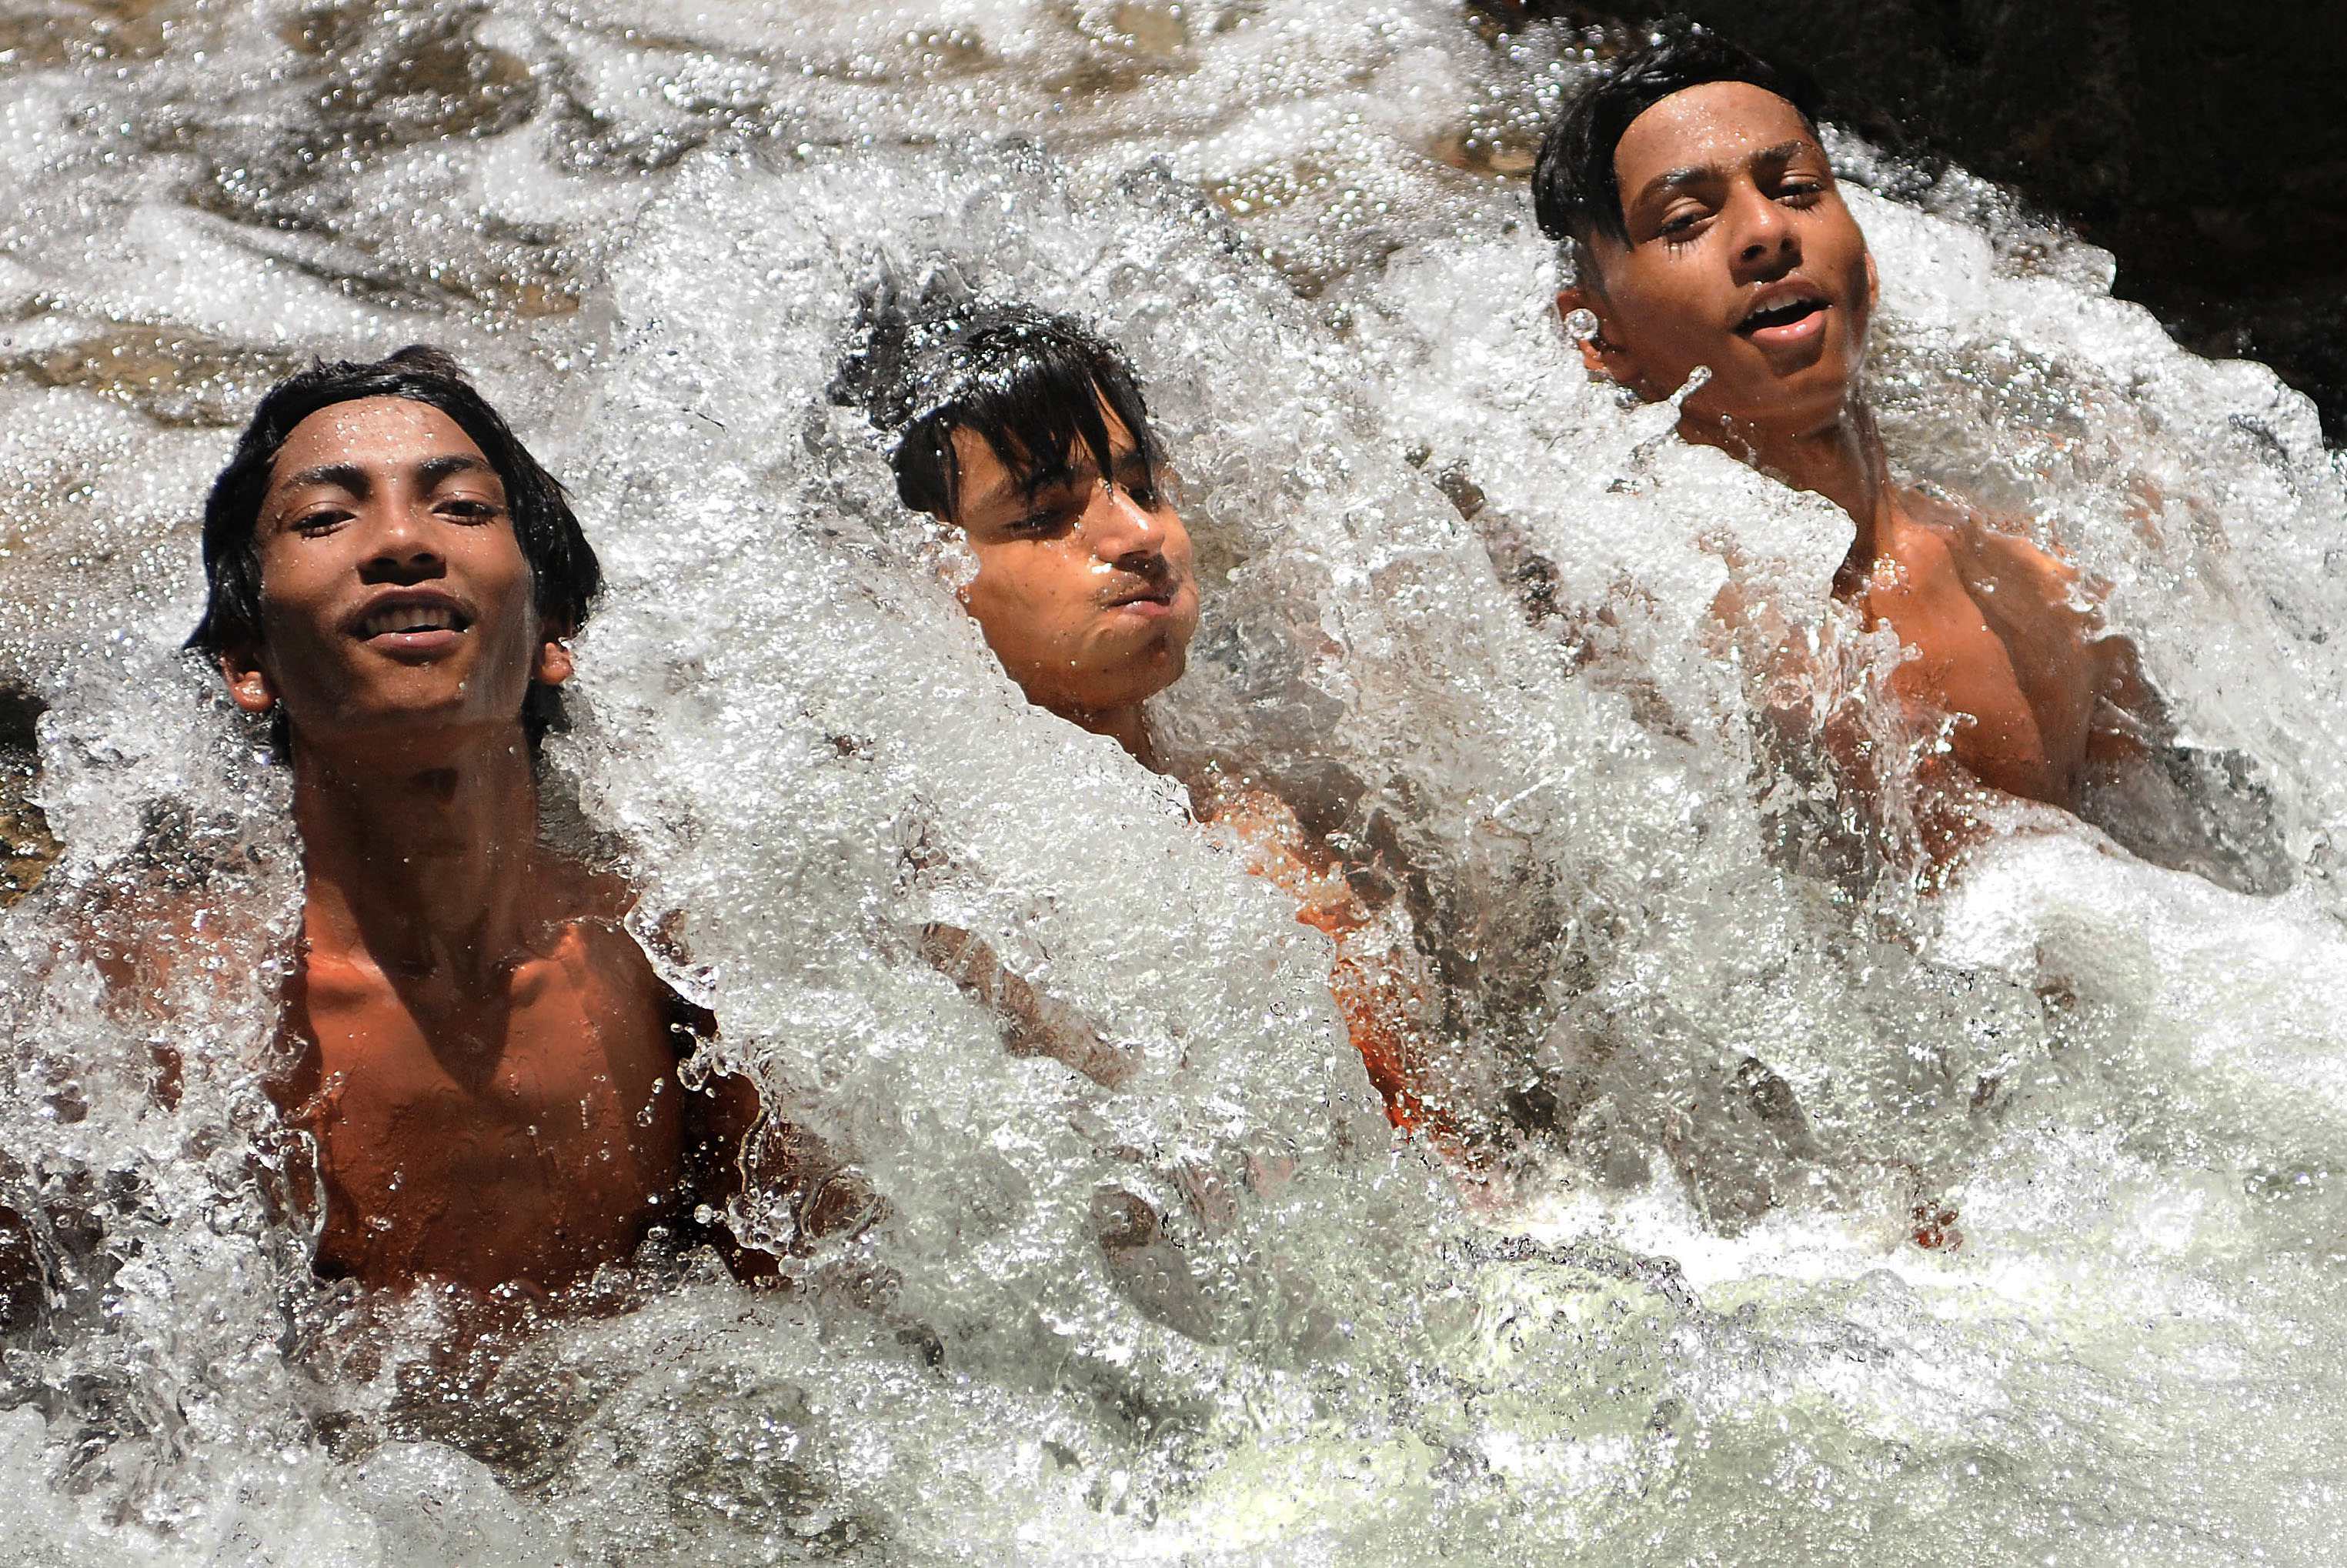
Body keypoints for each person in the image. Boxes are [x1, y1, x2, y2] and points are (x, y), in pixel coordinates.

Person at [172, 346, 835, 1301]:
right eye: (325, 518)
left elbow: (809, 1314)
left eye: (462, 507)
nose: (402, 541)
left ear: (552, 631)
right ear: (247, 660)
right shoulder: (175, 1017)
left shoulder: (678, 970)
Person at [836, 299, 1460, 1148]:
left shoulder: (1250, 809)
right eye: (1042, 515)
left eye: (1138, 487)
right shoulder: (932, 913)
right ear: (911, 580)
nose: (1139, 533)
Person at [1531, 26, 2162, 864]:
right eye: (1686, 218)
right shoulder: (1629, 641)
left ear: (1865, 265)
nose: (1765, 230)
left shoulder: (2057, 591)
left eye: (1795, 190)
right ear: (1598, 334)